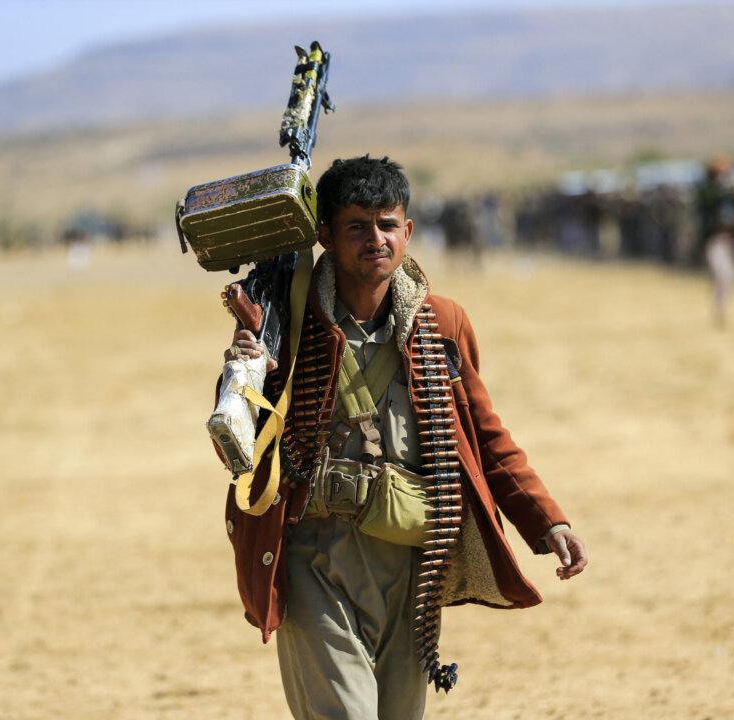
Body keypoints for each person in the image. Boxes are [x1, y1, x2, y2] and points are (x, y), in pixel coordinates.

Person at [221, 155, 587, 720]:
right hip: (313, 554)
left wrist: (548, 521)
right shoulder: (283, 321)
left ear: (408, 231)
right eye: (357, 226)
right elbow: (236, 440)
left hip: (414, 557)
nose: (376, 239)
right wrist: (244, 372)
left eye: (387, 224)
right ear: (325, 237)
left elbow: (484, 437)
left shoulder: (443, 323)